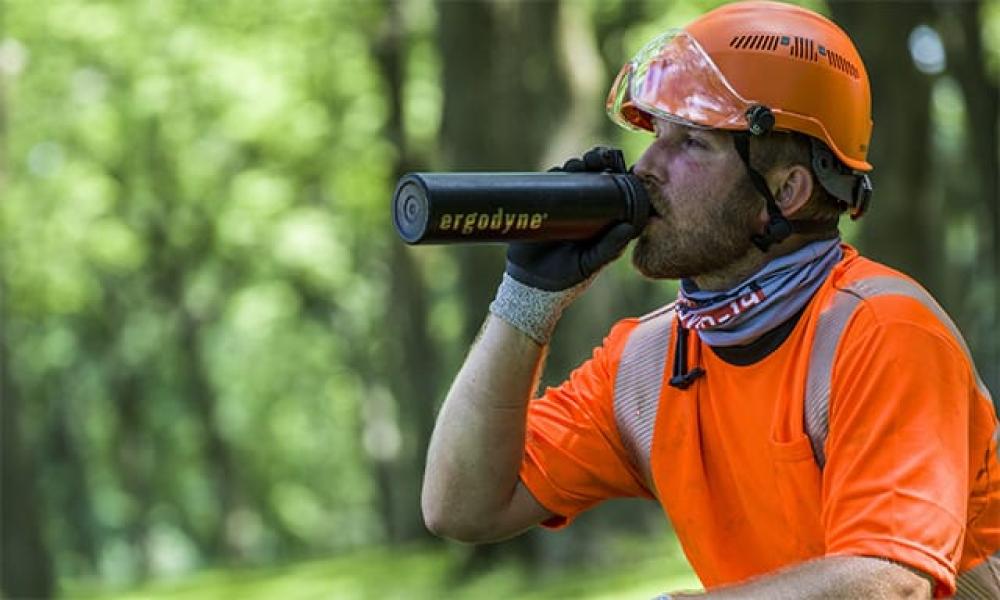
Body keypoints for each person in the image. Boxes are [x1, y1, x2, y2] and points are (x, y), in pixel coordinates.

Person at [420, 2, 1000, 598]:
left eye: (691, 143)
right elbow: (462, 506)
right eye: (655, 136)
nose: (646, 168)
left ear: (786, 192)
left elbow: (889, 583)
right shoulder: (647, 364)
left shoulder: (882, 330)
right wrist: (526, 300)